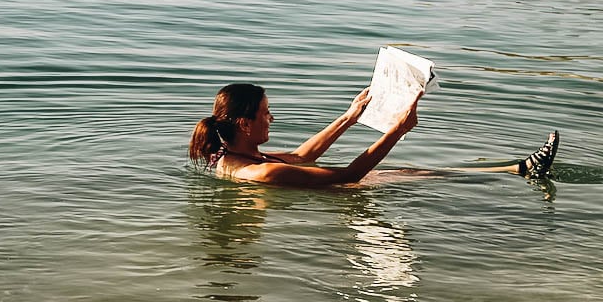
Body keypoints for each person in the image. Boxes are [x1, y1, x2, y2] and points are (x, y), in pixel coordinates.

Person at [188, 83, 558, 187]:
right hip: (343, 195)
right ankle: (518, 171)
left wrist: (349, 117)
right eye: (266, 113)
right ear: (244, 123)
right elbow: (346, 177)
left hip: (331, 189)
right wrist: (397, 130)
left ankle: (516, 170)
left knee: (410, 173)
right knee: (407, 176)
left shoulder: (234, 158)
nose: (272, 118)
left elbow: (302, 157)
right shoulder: (261, 172)